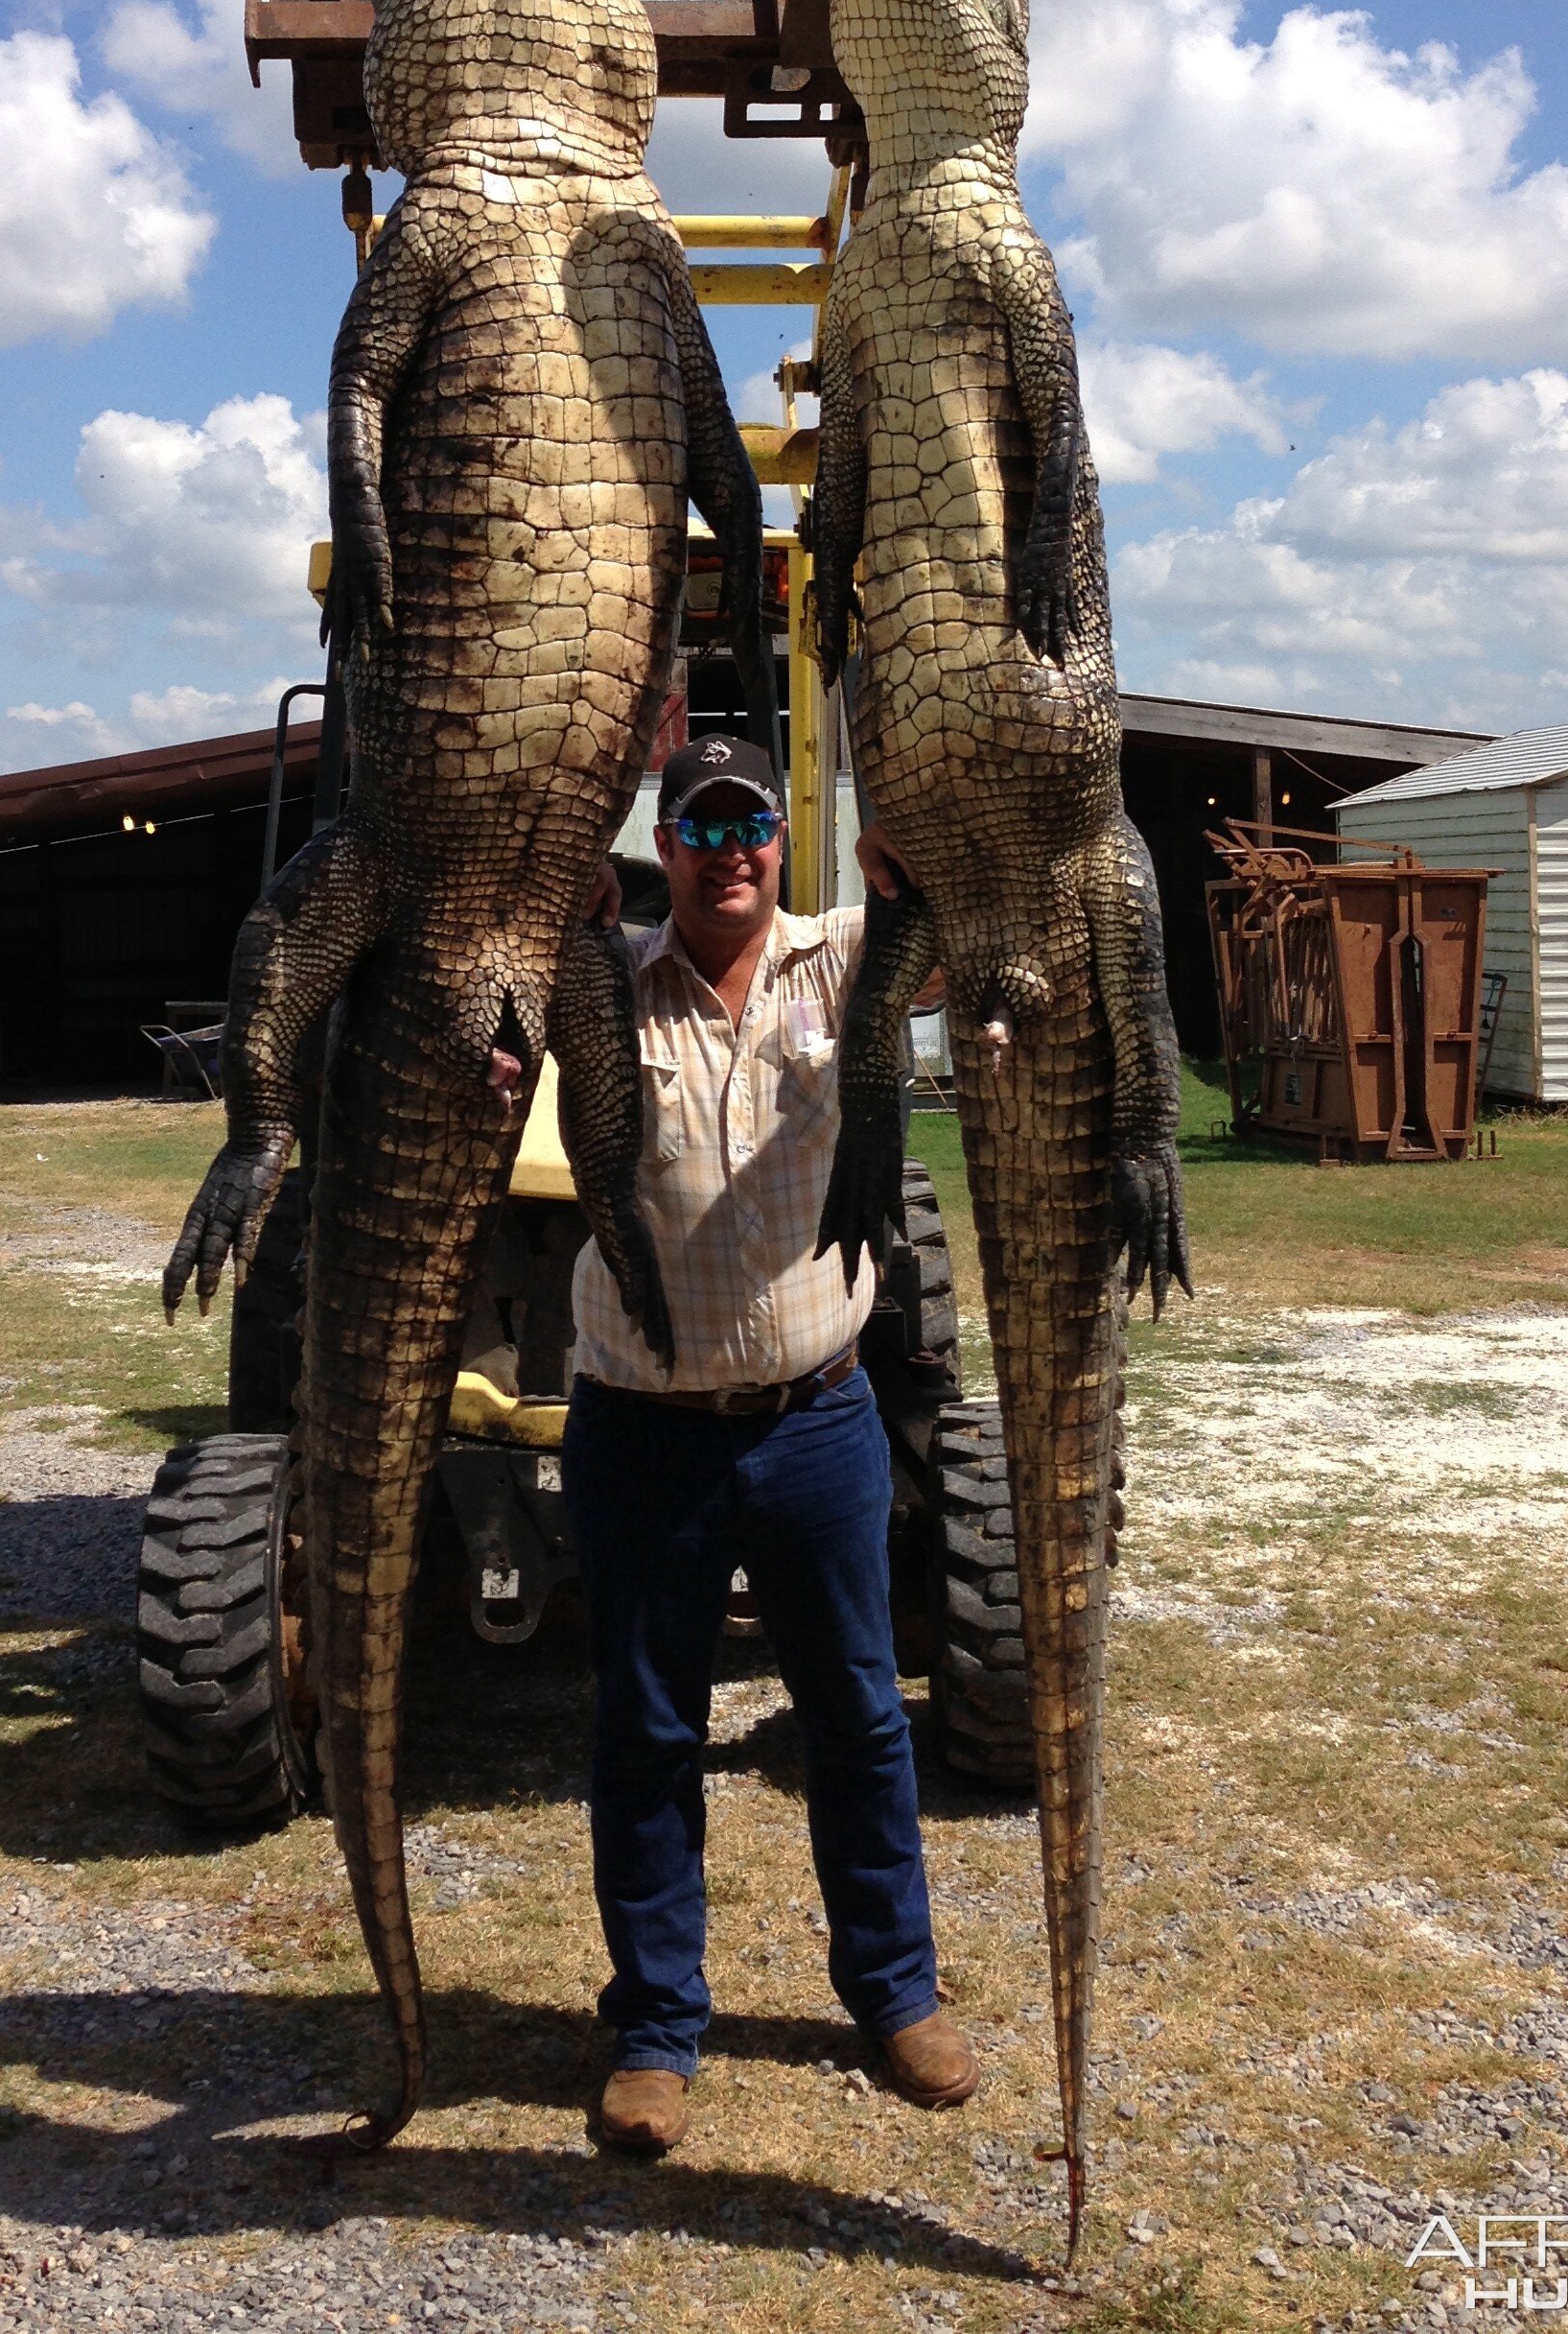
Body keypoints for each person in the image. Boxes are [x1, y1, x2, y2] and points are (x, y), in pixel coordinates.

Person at [564, 731, 976, 2156]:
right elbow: (485, 1035)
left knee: (861, 1722)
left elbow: (972, 933)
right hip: (639, 1432)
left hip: (819, 1422)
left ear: (780, 844)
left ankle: (895, 1993)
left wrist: (920, 853)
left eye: (750, 822)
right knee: (647, 1730)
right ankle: (658, 2029)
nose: (729, 848)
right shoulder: (598, 980)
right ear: (661, 843)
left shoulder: (853, 960)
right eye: (700, 824)